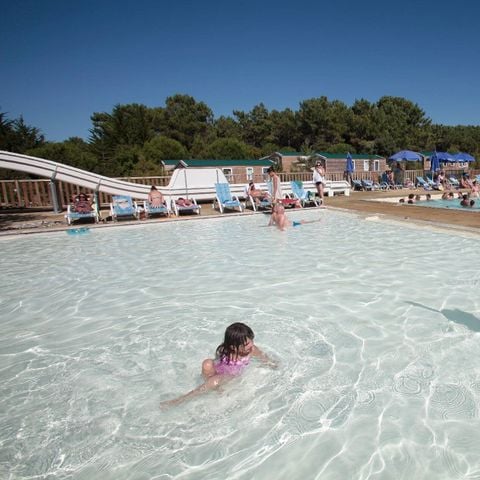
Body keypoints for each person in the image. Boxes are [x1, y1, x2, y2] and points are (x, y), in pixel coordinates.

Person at [160, 323, 275, 407]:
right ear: (232, 346)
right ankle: (214, 389)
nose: (251, 344)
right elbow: (218, 360)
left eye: (251, 340)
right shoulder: (224, 349)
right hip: (220, 370)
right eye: (247, 343)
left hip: (231, 375)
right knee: (207, 363)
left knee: (214, 381)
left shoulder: (252, 350)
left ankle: (181, 400)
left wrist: (273, 365)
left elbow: (265, 359)